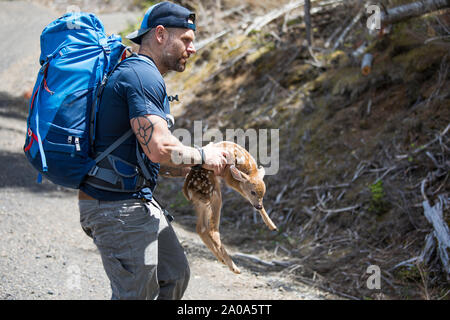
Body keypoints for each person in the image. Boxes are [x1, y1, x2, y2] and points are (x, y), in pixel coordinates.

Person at [77, 1, 229, 300]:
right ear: (160, 34)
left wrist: (200, 166)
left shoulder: (141, 74)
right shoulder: (142, 76)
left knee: (174, 275)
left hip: (134, 199)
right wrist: (202, 155)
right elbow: (159, 147)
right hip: (116, 207)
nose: (193, 48)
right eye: (186, 39)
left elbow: (148, 154)